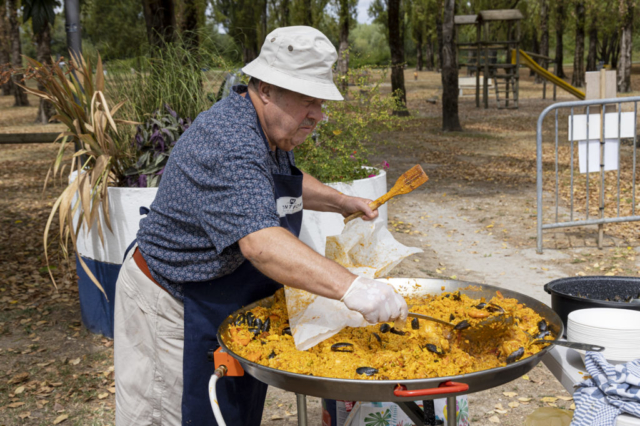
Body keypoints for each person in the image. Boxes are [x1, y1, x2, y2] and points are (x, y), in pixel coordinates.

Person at [113, 26, 408, 426]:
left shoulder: (266, 128)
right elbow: (261, 244)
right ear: (267, 88)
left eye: (320, 102)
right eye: (308, 100)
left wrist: (340, 202)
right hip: (171, 303)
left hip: (220, 297)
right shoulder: (229, 140)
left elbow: (281, 181)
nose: (318, 115)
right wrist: (353, 287)